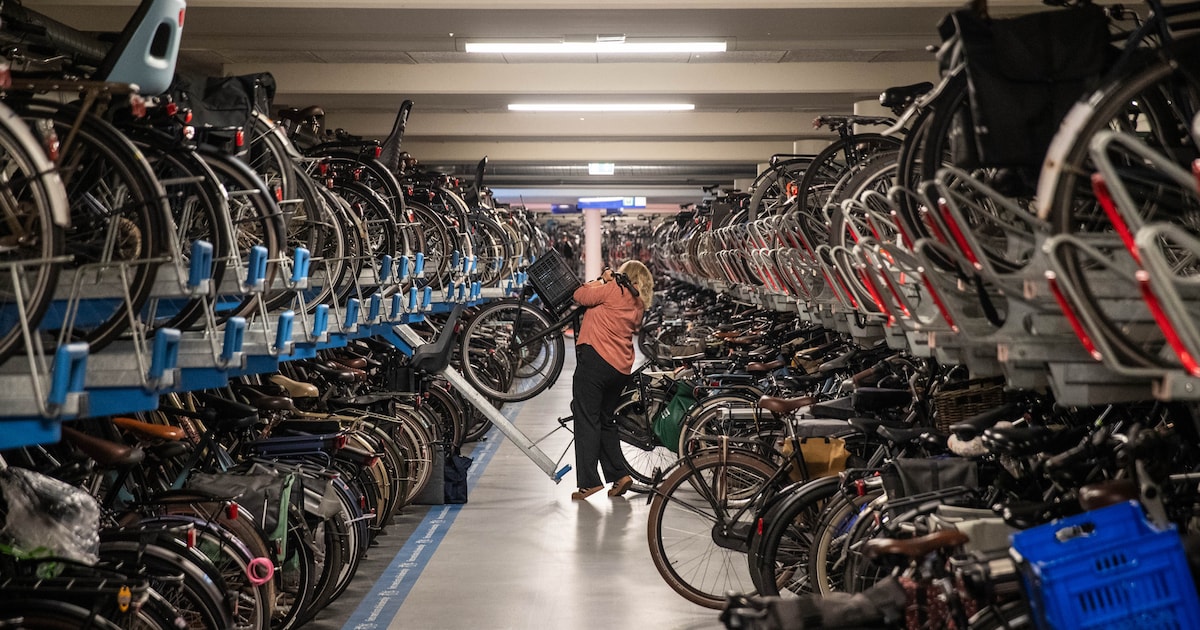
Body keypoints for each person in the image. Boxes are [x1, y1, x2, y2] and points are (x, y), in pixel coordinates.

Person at [568, 260, 654, 500]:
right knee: (605, 420)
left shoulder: (615, 289)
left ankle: (589, 482)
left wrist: (600, 280)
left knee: (586, 418)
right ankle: (620, 475)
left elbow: (580, 295)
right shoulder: (639, 303)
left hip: (596, 361)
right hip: (620, 369)